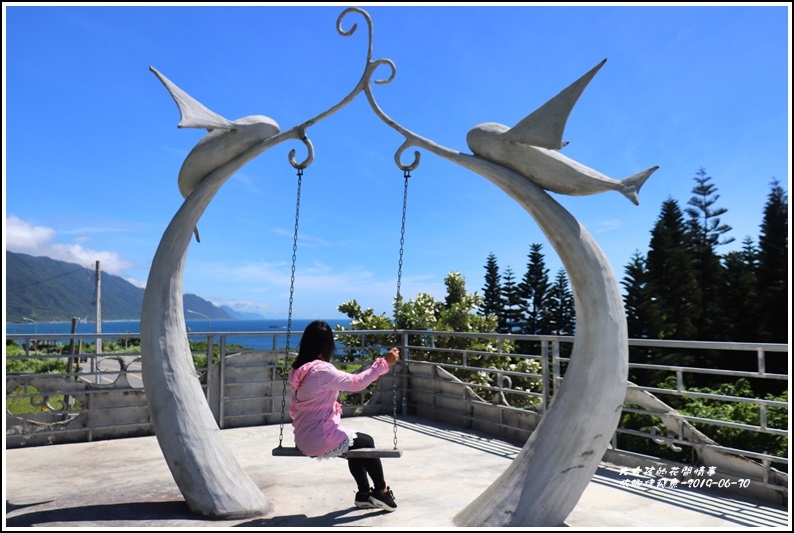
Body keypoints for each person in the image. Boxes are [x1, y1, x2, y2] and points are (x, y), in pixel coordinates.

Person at [288, 320, 400, 512]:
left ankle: (364, 494)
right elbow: (356, 383)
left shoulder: (300, 369)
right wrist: (383, 364)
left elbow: (295, 409)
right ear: (326, 345)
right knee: (366, 442)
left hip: (302, 437)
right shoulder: (321, 370)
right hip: (318, 438)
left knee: (355, 442)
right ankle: (381, 492)